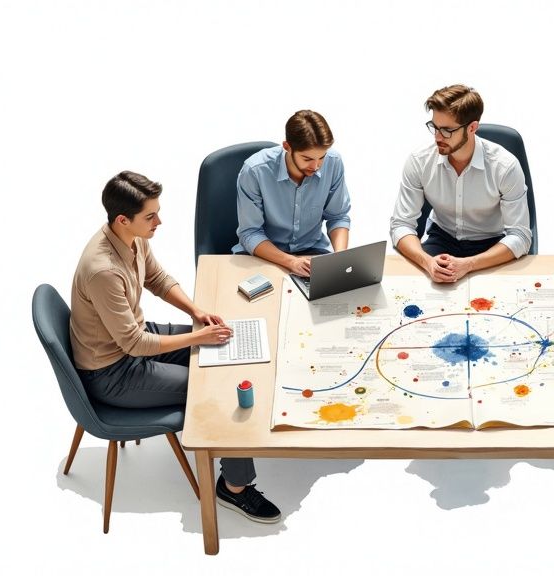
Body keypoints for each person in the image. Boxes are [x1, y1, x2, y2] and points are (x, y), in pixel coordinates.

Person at [72, 171, 282, 523]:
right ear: (124, 219)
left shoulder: (132, 237)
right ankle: (234, 488)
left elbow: (157, 279)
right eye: (150, 216)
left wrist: (196, 312)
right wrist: (198, 337)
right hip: (112, 370)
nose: (159, 221)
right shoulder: (103, 269)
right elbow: (135, 345)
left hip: (132, 339)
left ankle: (244, 447)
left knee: (224, 355)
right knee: (216, 390)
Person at [389, 84, 532, 283]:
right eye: (435, 127)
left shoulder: (505, 166)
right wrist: (427, 261)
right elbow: (401, 225)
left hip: (491, 245)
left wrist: (469, 264)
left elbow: (520, 236)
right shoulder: (419, 161)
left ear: (472, 128)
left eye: (447, 130)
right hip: (441, 239)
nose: (438, 137)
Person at [234, 110, 351, 277]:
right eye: (307, 159)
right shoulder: (254, 171)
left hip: (312, 253)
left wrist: (340, 257)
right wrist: (291, 262)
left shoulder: (334, 162)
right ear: (287, 147)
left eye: (321, 157)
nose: (316, 166)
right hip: (264, 255)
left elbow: (338, 216)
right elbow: (250, 232)